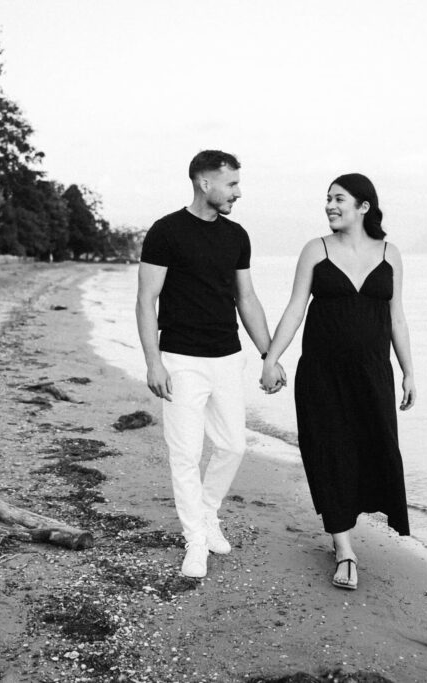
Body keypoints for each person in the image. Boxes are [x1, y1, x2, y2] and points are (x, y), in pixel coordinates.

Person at [260, 173, 415, 590]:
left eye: (338, 198)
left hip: (373, 375)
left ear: (364, 206)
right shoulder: (316, 250)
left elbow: (397, 318)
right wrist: (271, 359)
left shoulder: (390, 254)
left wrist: (408, 372)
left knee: (374, 450)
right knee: (330, 452)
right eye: (327, 199)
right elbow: (295, 309)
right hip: (322, 375)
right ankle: (344, 548)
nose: (329, 205)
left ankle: (348, 528)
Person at [136, 150, 285, 579]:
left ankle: (208, 513)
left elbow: (247, 299)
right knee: (185, 453)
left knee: (233, 445)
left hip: (227, 356)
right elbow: (147, 299)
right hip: (180, 359)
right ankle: (195, 541)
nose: (238, 192)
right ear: (205, 183)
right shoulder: (166, 232)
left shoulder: (237, 235)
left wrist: (269, 355)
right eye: (232, 184)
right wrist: (153, 362)